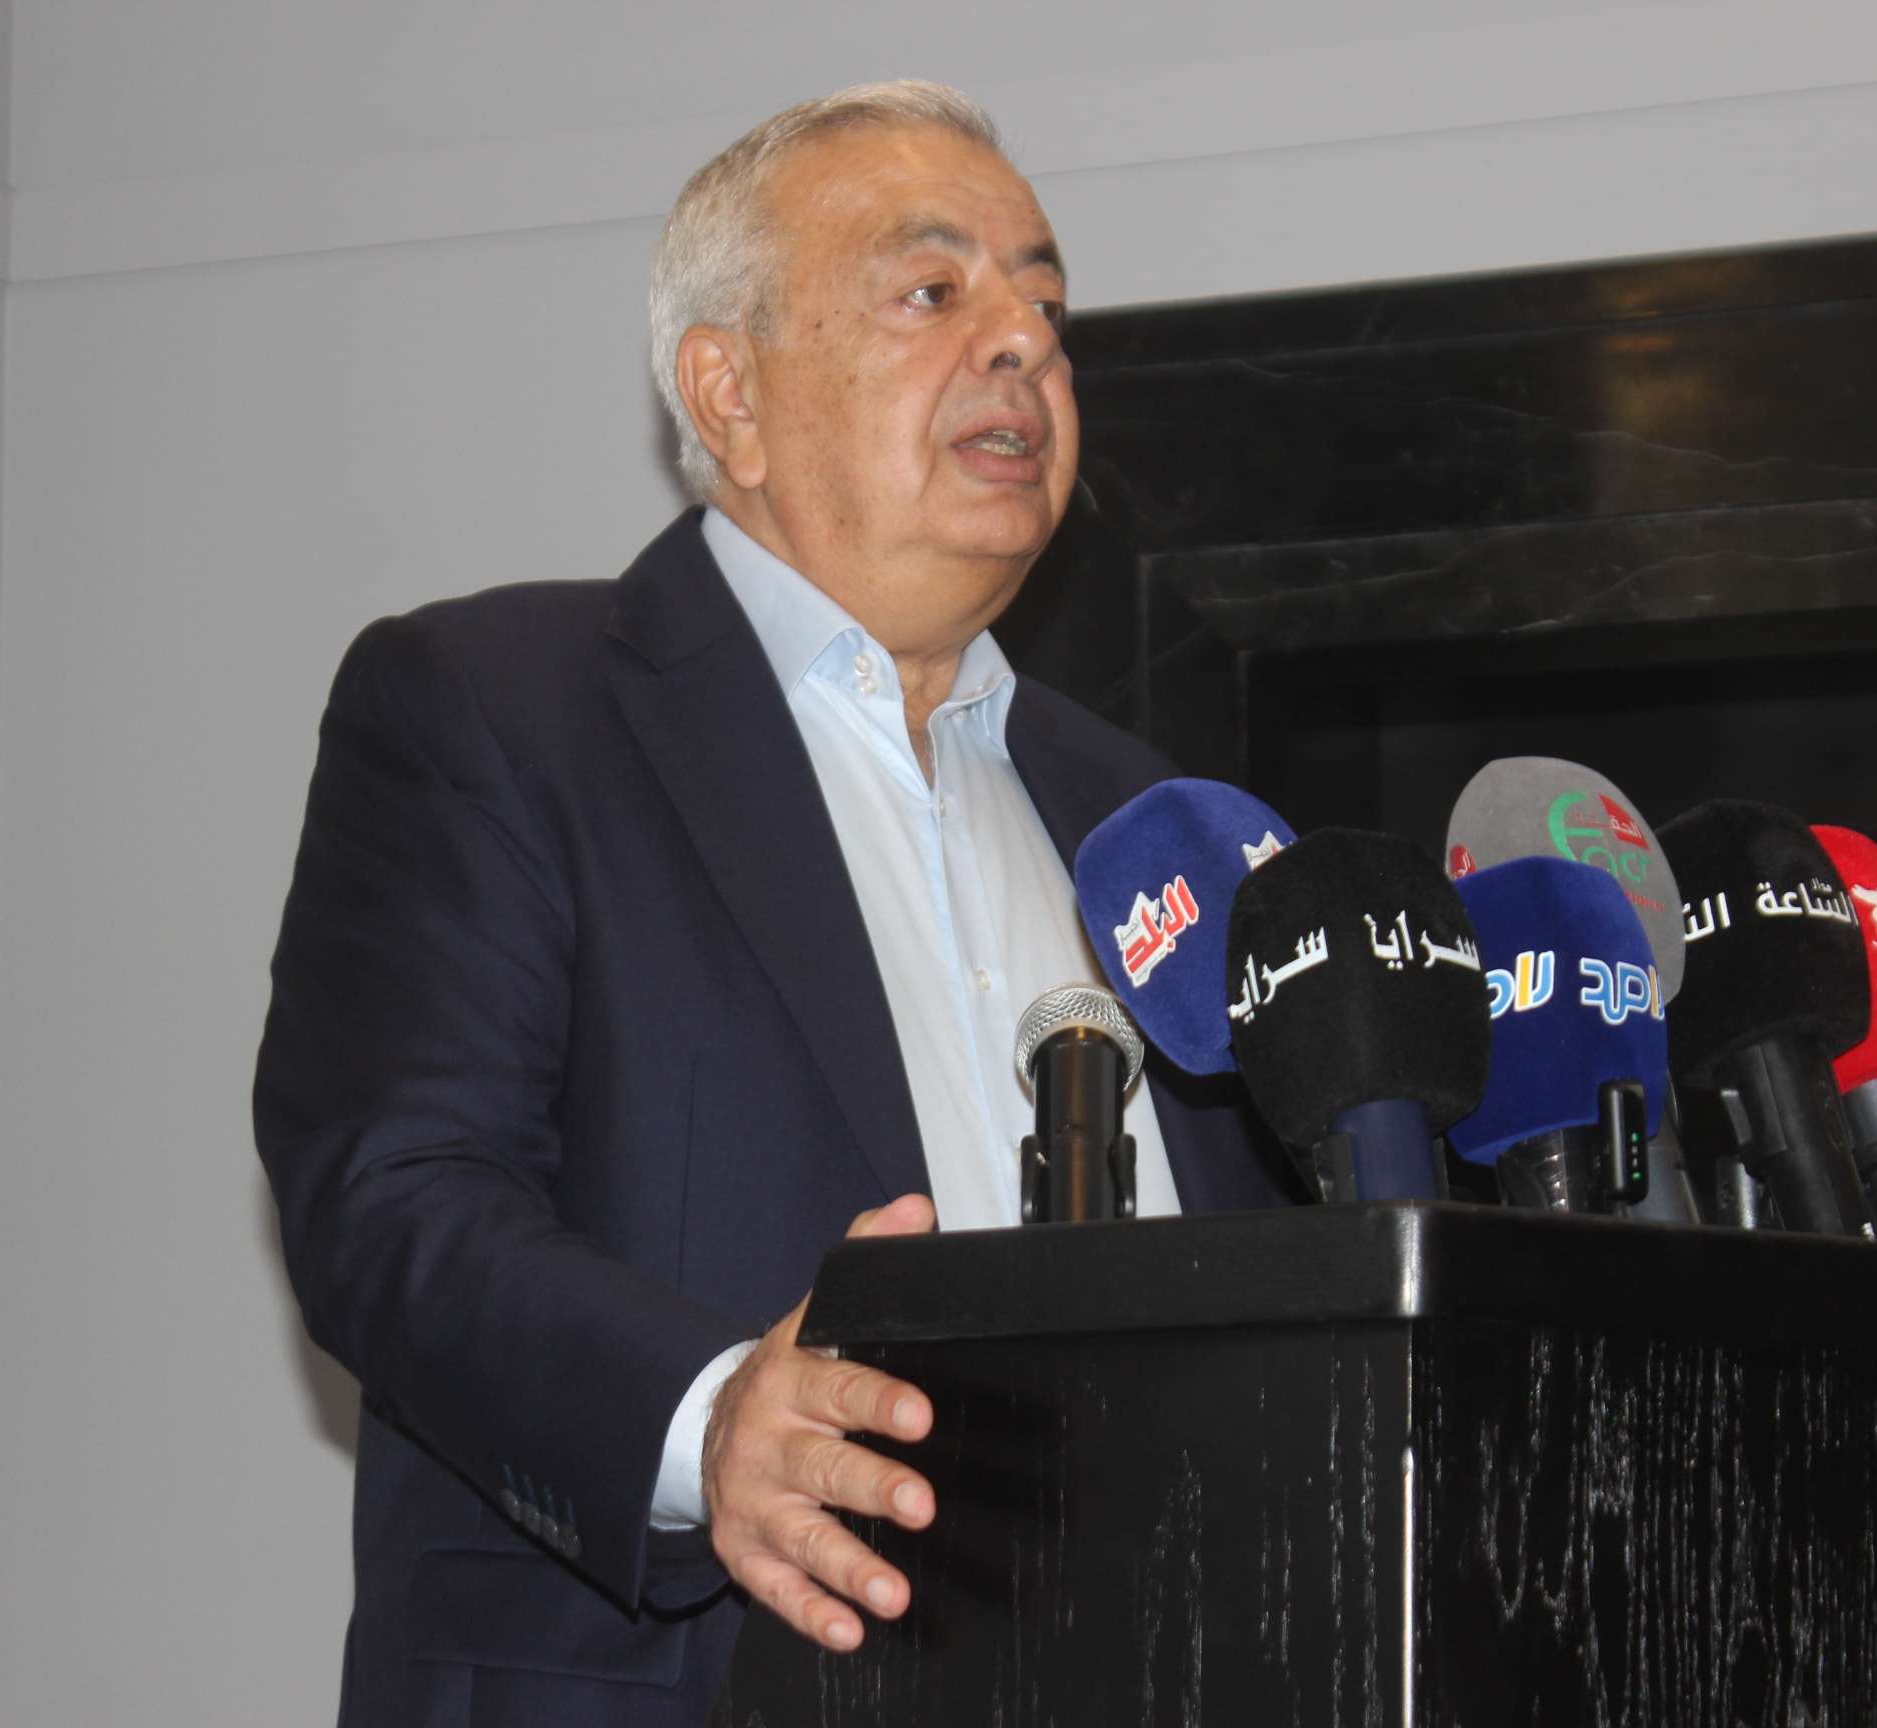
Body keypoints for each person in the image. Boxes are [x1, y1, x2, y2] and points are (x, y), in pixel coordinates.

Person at [253, 80, 1296, 1728]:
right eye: (934, 290)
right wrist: (712, 1414)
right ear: (726, 393)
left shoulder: (1145, 816)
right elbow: (392, 1200)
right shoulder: (497, 708)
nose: (1022, 343)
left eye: (1045, 304)